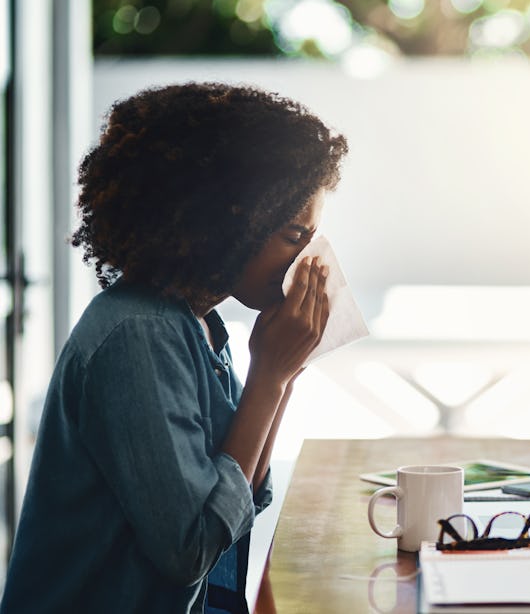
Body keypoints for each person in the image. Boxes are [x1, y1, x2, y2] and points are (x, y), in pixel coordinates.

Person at [0, 82, 349, 613]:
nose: (307, 260)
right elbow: (191, 549)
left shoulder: (198, 323)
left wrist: (283, 372)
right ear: (226, 221)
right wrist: (269, 380)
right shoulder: (139, 334)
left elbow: (244, 500)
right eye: (293, 235)